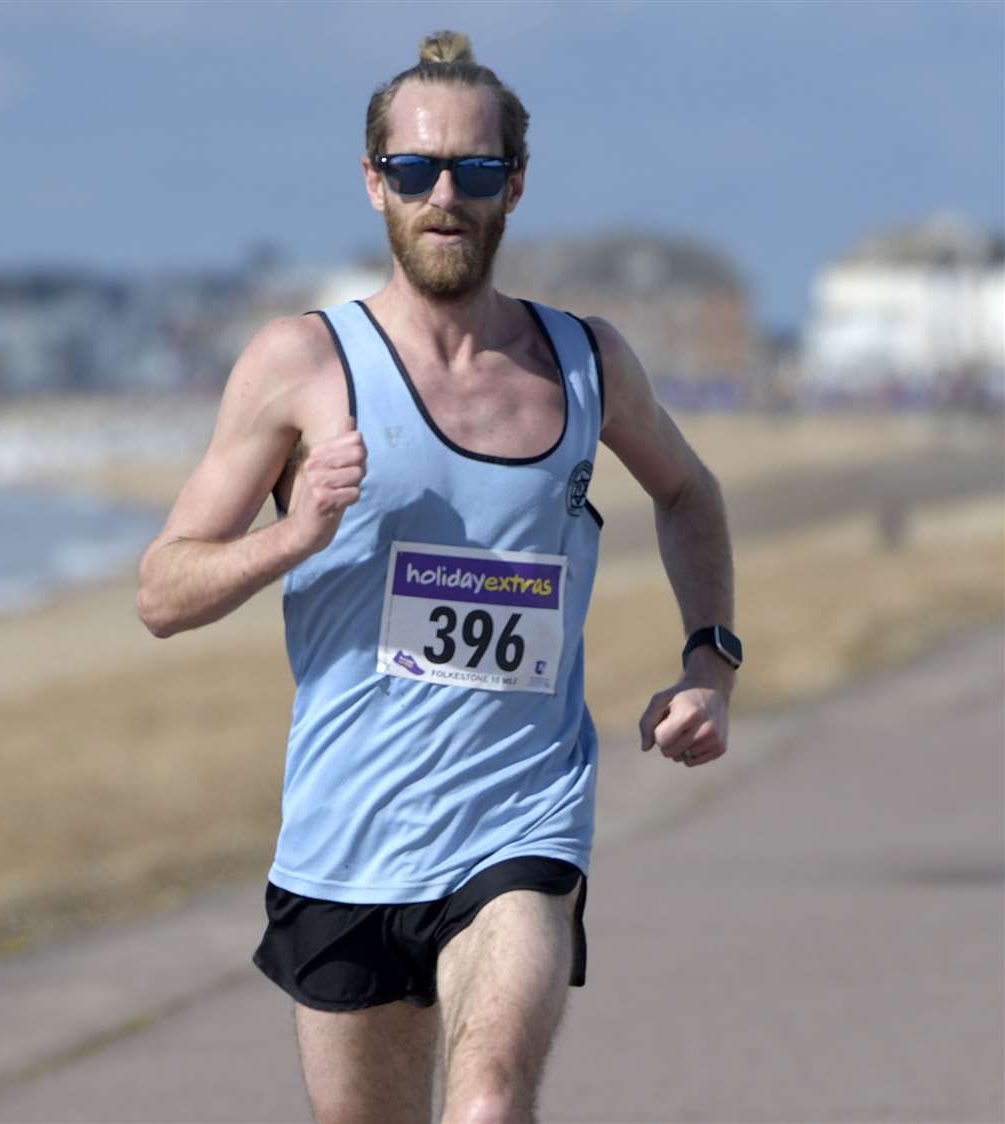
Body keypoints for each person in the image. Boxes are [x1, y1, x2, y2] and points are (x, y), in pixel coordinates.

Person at [137, 28, 740, 1124]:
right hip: (345, 840)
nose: (446, 195)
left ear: (516, 181)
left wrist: (711, 660)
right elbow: (162, 592)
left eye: (477, 169)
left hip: (522, 821)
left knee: (488, 1100)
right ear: (376, 183)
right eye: (416, 170)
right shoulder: (303, 362)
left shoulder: (585, 361)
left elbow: (689, 492)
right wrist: (294, 532)